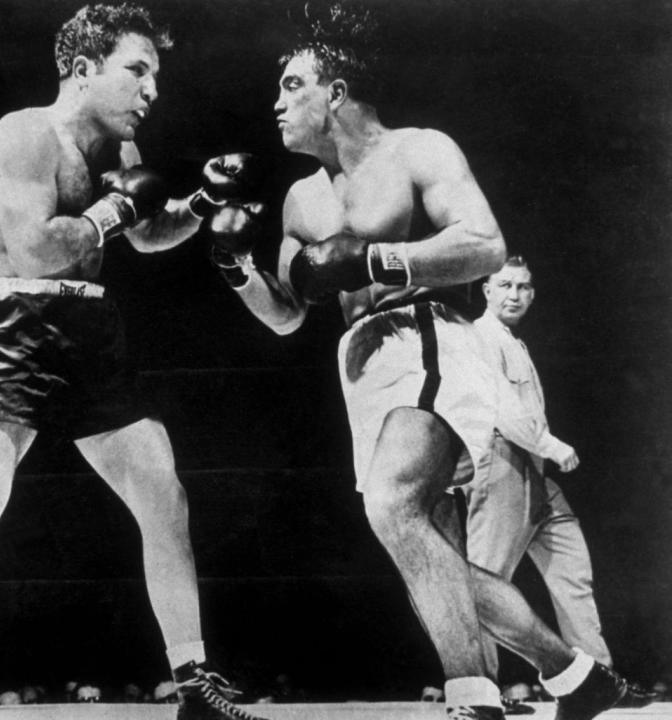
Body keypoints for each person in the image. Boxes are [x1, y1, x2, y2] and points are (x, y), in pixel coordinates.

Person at [206, 3, 634, 718]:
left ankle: (476, 700)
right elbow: (286, 316)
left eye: (291, 85)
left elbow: (486, 243)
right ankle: (575, 677)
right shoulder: (300, 199)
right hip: (361, 366)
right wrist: (235, 266)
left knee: (394, 504)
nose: (276, 104)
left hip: (428, 332)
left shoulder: (418, 150)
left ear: (334, 90)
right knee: (426, 550)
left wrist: (378, 257)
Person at [0, 6, 266, 720]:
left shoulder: (119, 156)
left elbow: (148, 233)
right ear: (83, 70)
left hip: (89, 328)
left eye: (156, 75)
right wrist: (114, 211)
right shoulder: (24, 133)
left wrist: (202, 200)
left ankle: (193, 678)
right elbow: (43, 246)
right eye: (137, 70)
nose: (152, 90)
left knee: (163, 495)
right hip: (18, 323)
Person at [466, 257, 655, 708]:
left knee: (573, 572)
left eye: (524, 287)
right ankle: (480, 690)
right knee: (485, 583)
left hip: (533, 469)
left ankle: (598, 682)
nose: (515, 294)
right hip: (504, 462)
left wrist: (543, 454)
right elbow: (502, 413)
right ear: (486, 290)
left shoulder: (513, 342)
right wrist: (552, 446)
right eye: (506, 285)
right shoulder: (478, 338)